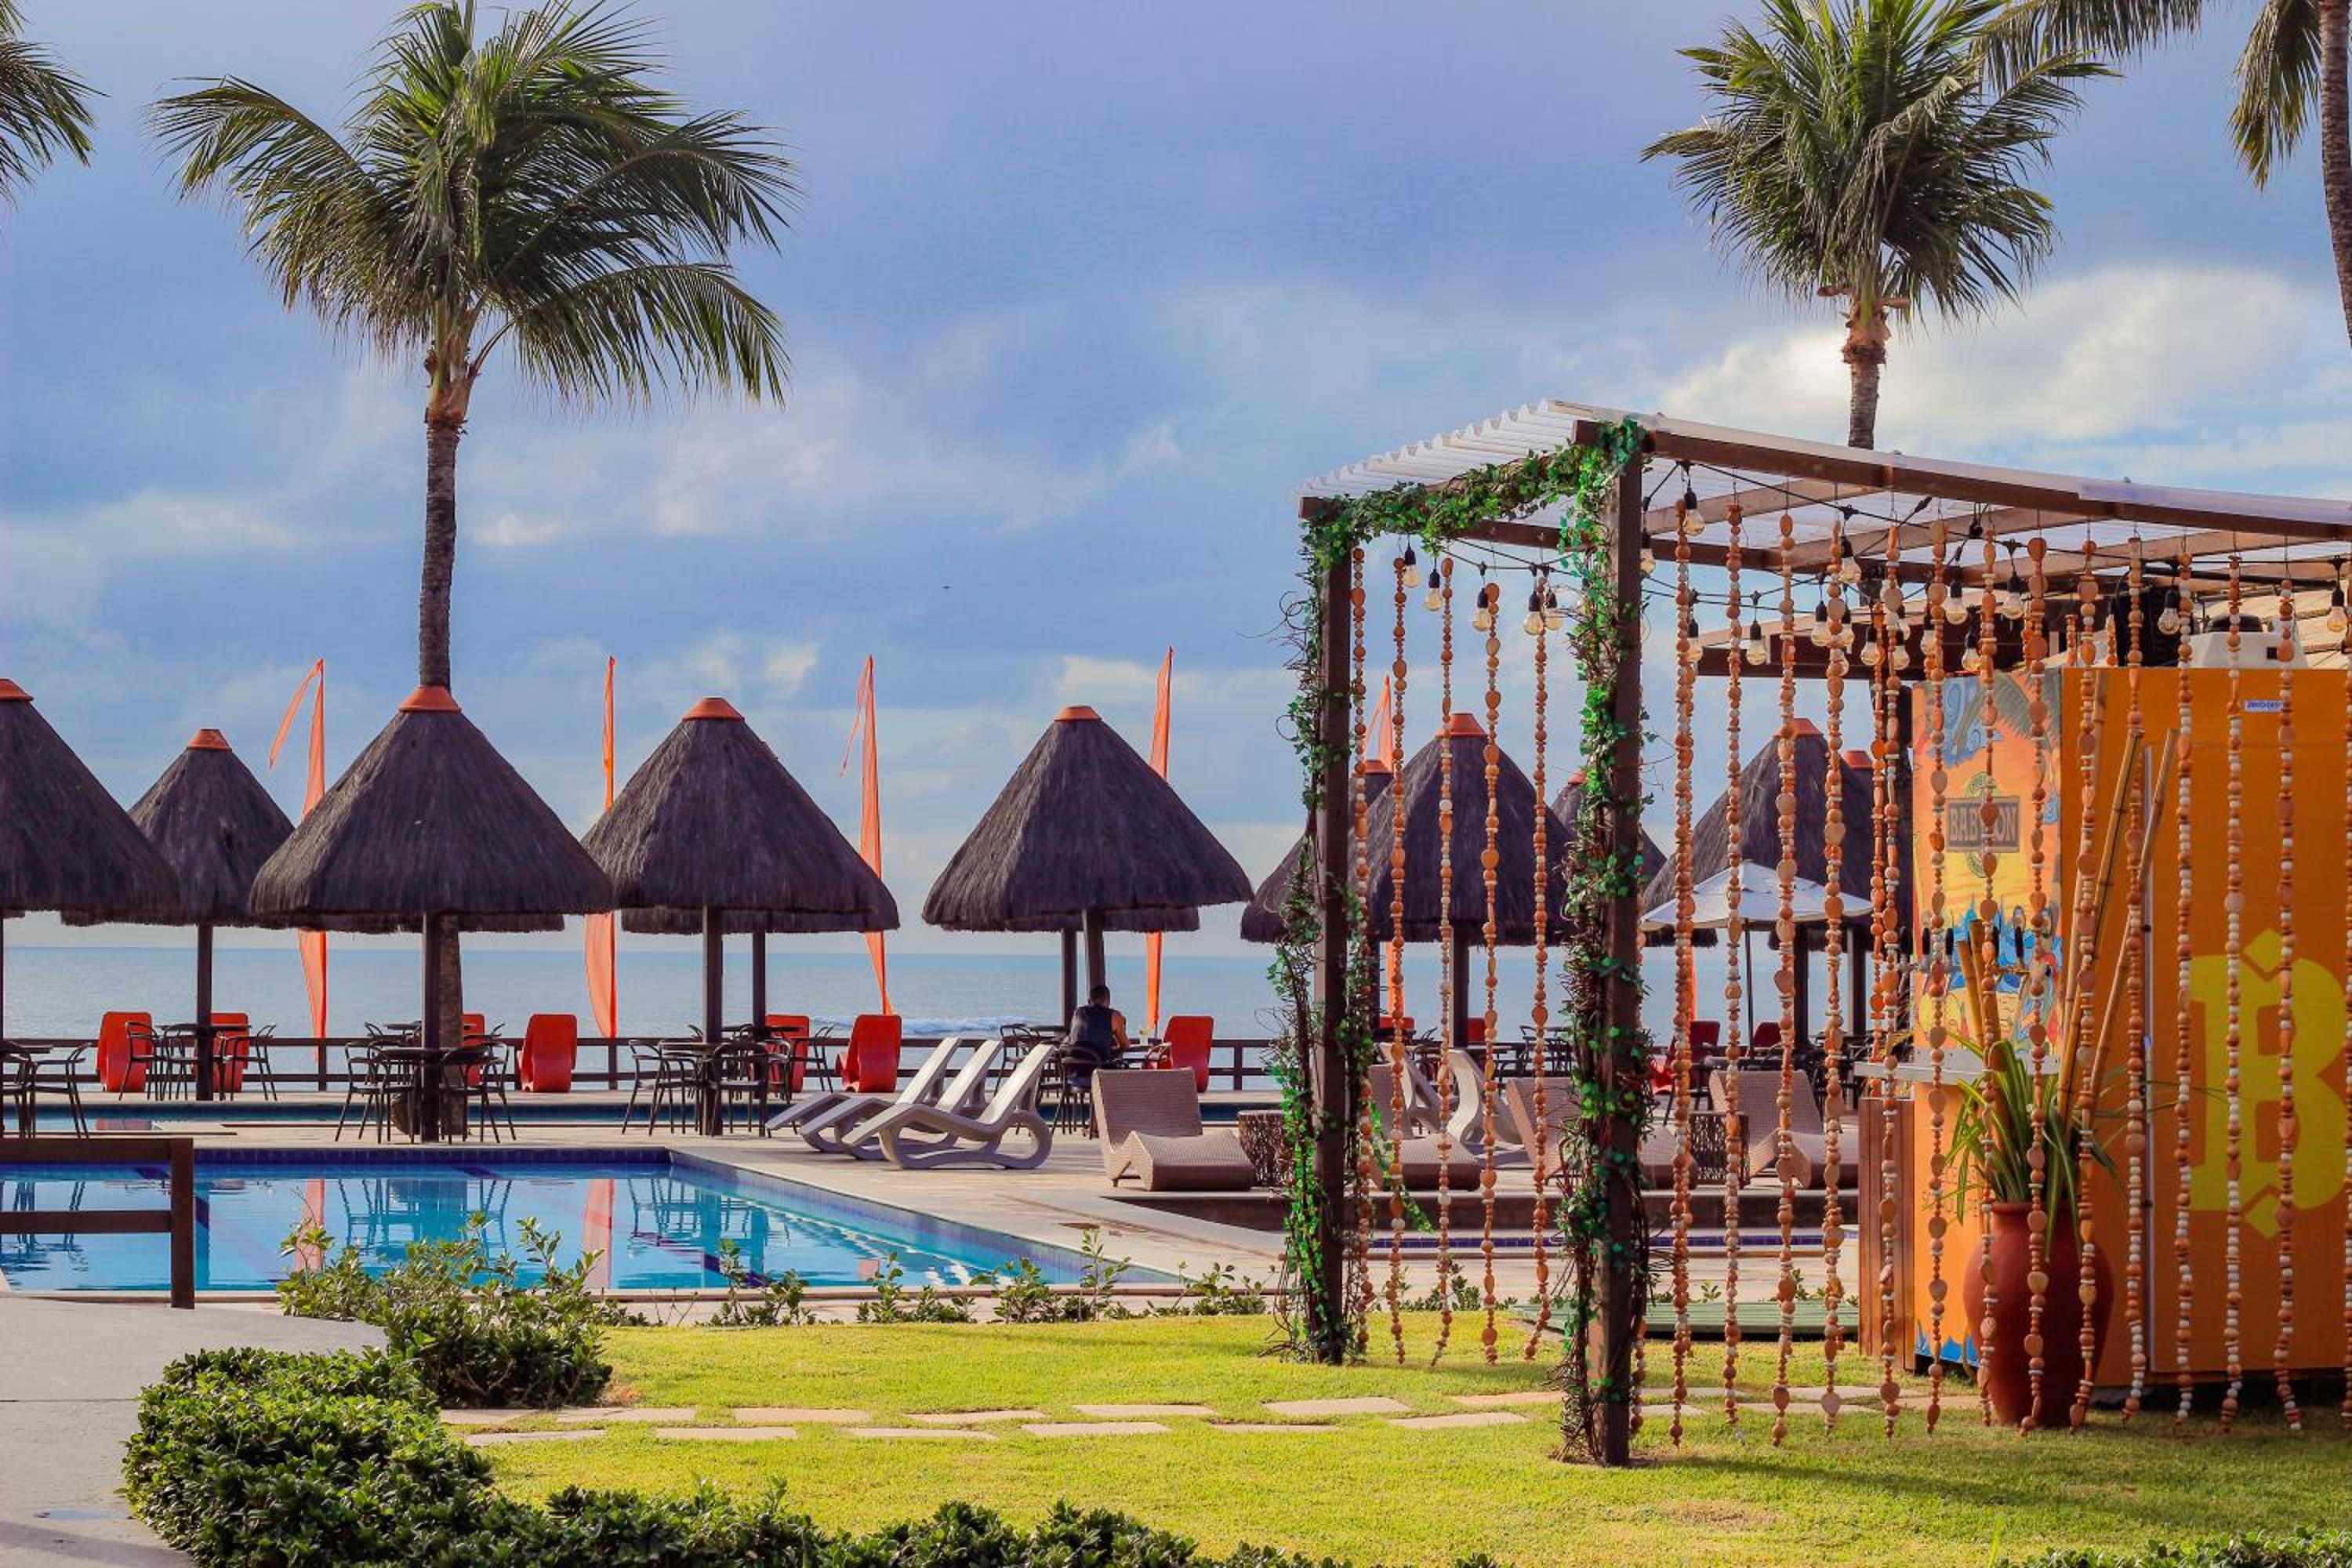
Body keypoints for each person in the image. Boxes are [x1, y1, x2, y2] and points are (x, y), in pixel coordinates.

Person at [1064, 984, 1131, 1080]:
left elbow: (1074, 1036)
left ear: (1089, 1000)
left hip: (1074, 1072)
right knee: (1124, 1068)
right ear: (1108, 1001)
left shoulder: (1078, 1012)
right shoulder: (1114, 1015)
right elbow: (1125, 1045)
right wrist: (1113, 1050)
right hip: (1099, 1074)